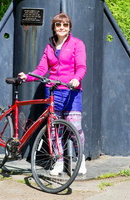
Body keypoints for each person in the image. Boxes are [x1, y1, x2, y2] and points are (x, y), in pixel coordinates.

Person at [18, 13, 87, 175]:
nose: (61, 28)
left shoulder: (77, 44)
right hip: (53, 92)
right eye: (58, 25)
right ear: (54, 28)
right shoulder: (50, 47)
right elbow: (41, 70)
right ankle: (59, 161)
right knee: (55, 129)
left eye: (65, 25)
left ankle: (80, 158)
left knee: (75, 128)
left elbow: (81, 66)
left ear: (70, 27)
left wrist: (76, 79)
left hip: (71, 91)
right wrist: (27, 76)